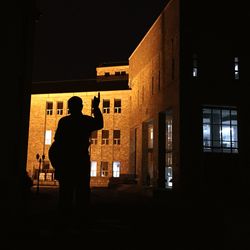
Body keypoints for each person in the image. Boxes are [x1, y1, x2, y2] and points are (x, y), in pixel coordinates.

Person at [49, 93, 103, 227]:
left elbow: (57, 143)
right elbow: (99, 124)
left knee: (65, 195)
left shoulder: (64, 121)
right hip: (80, 162)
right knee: (82, 194)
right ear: (81, 107)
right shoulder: (85, 120)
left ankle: (65, 222)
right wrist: (96, 108)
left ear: (69, 107)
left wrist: (56, 163)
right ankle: (81, 222)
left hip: (67, 163)